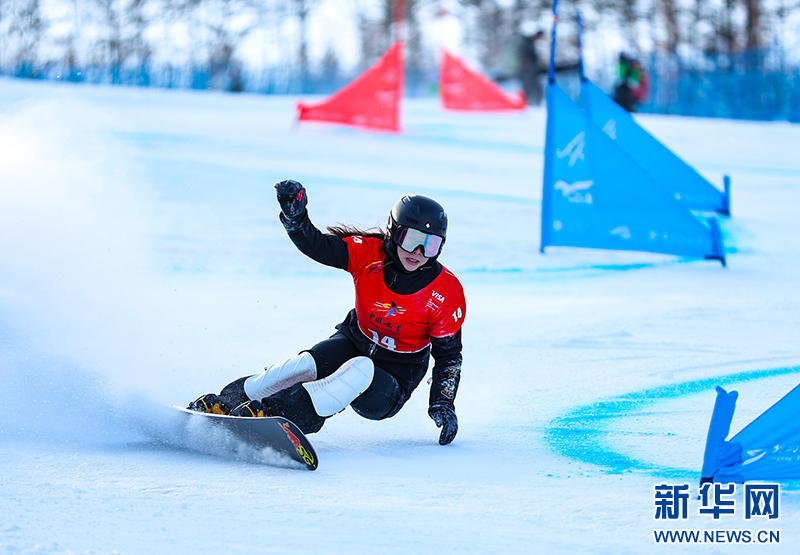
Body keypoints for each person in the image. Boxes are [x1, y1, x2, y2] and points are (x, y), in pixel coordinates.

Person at [187, 180, 466, 445]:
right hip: (354, 342)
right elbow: (319, 246)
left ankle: (277, 415)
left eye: (431, 244)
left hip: (392, 382)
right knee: (304, 366)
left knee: (361, 368)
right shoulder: (369, 255)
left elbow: (449, 356)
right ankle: (226, 402)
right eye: (412, 239)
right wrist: (296, 219)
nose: (418, 252)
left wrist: (442, 403)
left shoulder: (445, 292)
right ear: (394, 232)